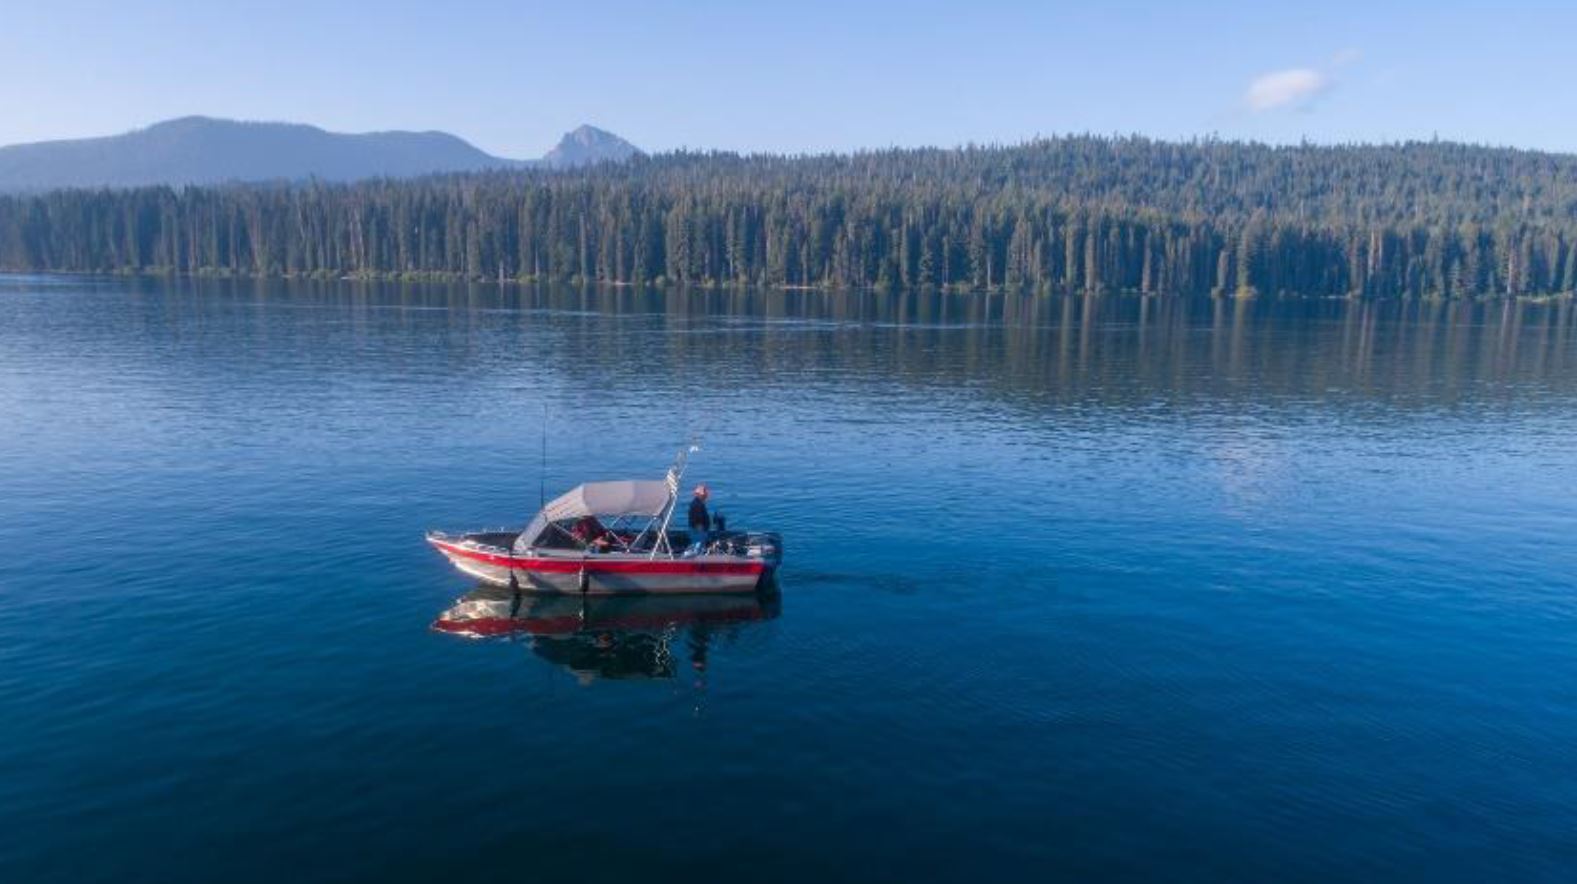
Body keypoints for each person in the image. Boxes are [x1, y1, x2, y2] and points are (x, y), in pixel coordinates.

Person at [685, 484, 711, 554]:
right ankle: (695, 560)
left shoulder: (698, 503)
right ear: (699, 495)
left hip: (698, 528)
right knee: (698, 547)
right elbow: (697, 517)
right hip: (698, 529)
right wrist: (700, 526)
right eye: (704, 495)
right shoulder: (697, 504)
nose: (705, 496)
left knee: (698, 546)